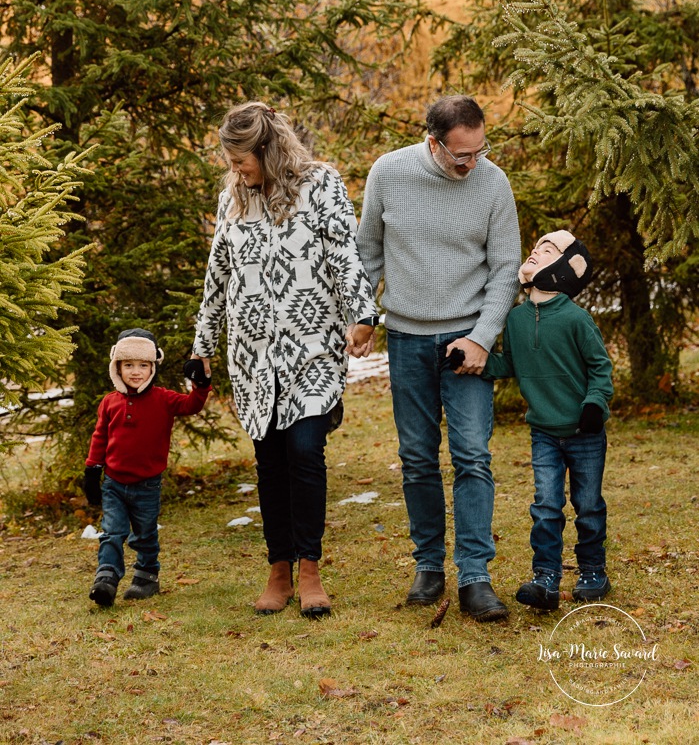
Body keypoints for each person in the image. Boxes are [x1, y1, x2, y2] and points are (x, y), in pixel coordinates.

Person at [190, 102, 377, 619]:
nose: (235, 169)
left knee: (305, 449)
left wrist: (363, 314)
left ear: (268, 149)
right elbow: (217, 276)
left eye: (241, 159)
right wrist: (202, 345)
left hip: (312, 344)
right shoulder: (233, 198)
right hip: (252, 355)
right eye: (230, 161)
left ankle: (310, 568)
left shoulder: (322, 184)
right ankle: (279, 570)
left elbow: (344, 252)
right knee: (270, 461)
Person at [355, 95, 521, 622]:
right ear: (433, 142)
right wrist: (362, 315)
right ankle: (428, 566)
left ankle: (475, 576)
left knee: (472, 455)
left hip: (467, 337)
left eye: (480, 150)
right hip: (406, 337)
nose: (472, 163)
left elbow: (506, 268)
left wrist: (483, 338)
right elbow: (367, 252)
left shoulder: (493, 183)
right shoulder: (388, 173)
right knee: (418, 457)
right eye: (461, 155)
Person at [483, 230, 613, 612]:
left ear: (566, 267)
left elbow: (600, 368)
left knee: (588, 505)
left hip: (584, 432)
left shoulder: (576, 318)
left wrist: (594, 405)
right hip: (543, 433)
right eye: (535, 248)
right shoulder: (516, 319)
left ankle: (593, 572)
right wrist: (474, 362)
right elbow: (508, 363)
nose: (535, 252)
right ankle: (545, 578)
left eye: (548, 249)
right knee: (546, 506)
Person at [84, 327, 211, 607]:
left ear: (153, 367)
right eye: (128, 365)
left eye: (143, 365)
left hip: (147, 485)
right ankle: (106, 579)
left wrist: (200, 384)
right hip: (114, 483)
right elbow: (100, 436)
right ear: (117, 367)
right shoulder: (109, 402)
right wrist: (92, 469)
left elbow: (192, 405)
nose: (136, 372)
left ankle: (146, 577)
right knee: (112, 533)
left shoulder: (164, 399)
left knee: (145, 534)